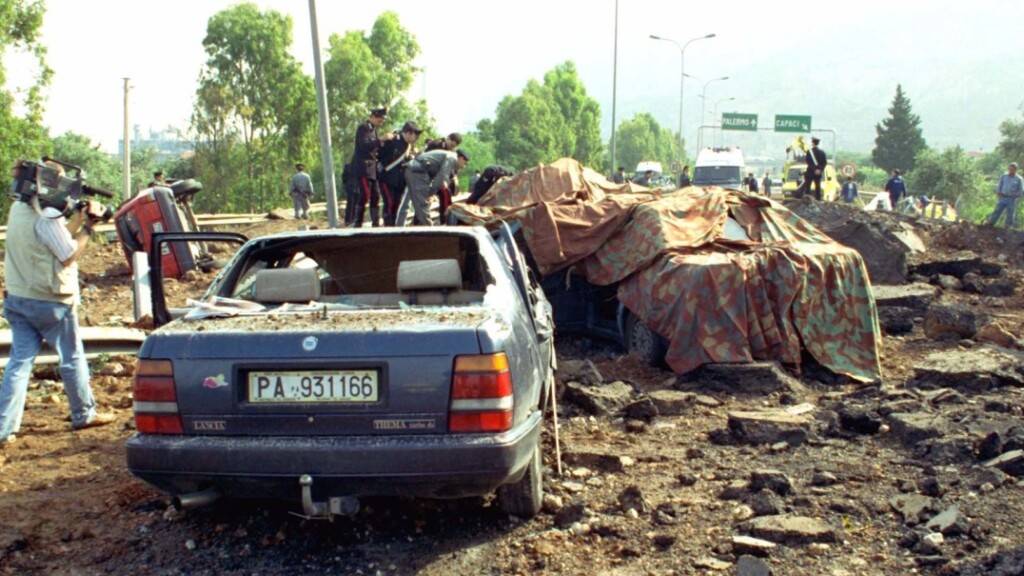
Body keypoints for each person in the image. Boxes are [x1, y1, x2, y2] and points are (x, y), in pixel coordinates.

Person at [0, 160, 115, 448]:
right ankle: (84, 413)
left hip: (19, 296)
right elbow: (67, 253)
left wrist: (74, 217)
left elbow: (53, 236)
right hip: (50, 300)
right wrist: (88, 226)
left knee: (19, 363)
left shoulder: (20, 210)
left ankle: (4, 427)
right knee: (72, 356)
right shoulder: (47, 217)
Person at [350, 107, 394, 227]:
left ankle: (375, 223)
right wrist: (381, 140)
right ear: (374, 116)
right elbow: (364, 145)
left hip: (372, 169)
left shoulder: (373, 130)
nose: (381, 122)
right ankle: (357, 222)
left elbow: (375, 148)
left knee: (375, 195)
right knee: (365, 194)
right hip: (363, 167)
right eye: (380, 119)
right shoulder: (364, 128)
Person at [404, 148, 468, 225]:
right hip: (418, 172)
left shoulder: (449, 156)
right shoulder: (452, 158)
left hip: (418, 172)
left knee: (421, 204)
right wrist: (431, 194)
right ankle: (429, 230)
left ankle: (420, 226)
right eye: (465, 163)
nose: (464, 166)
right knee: (422, 204)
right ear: (461, 158)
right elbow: (441, 179)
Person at [378, 121, 423, 226]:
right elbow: (380, 154)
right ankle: (388, 228)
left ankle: (392, 227)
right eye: (415, 134)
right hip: (386, 178)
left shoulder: (408, 146)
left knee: (396, 205)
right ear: (408, 133)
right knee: (389, 203)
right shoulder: (393, 140)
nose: (416, 138)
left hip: (399, 181)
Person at [986, 162, 1024, 228]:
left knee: (1010, 213)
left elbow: (1021, 191)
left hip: (1012, 199)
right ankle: (990, 223)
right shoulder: (1004, 176)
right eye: (1010, 169)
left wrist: (1014, 195)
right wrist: (998, 192)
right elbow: (999, 185)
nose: (1011, 170)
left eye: (1012, 169)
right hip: (1002, 197)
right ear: (1008, 168)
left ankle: (1008, 227)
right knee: (997, 210)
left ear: (1015, 170)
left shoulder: (1019, 179)